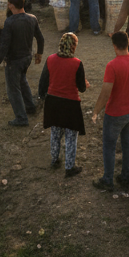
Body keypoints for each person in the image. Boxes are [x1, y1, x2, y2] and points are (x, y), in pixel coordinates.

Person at [91, 30, 129, 192]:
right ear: (128, 43)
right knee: (127, 141)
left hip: (115, 113)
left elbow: (105, 92)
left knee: (109, 145)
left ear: (114, 46)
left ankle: (107, 179)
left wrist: (96, 111)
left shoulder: (112, 65)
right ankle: (126, 176)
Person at [39, 31, 88, 177]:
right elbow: (81, 88)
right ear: (73, 47)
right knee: (71, 137)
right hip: (71, 105)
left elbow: (43, 83)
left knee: (55, 133)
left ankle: (55, 159)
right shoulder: (77, 63)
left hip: (53, 102)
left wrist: (43, 98)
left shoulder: (50, 59)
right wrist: (85, 83)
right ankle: (69, 167)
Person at [0, 0, 44, 126]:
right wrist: (39, 54)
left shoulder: (10, 22)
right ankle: (30, 107)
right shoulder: (32, 18)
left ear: (11, 5)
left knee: (13, 90)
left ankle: (21, 118)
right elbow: (40, 38)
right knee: (22, 81)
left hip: (14, 60)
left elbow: (4, 46)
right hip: (27, 57)